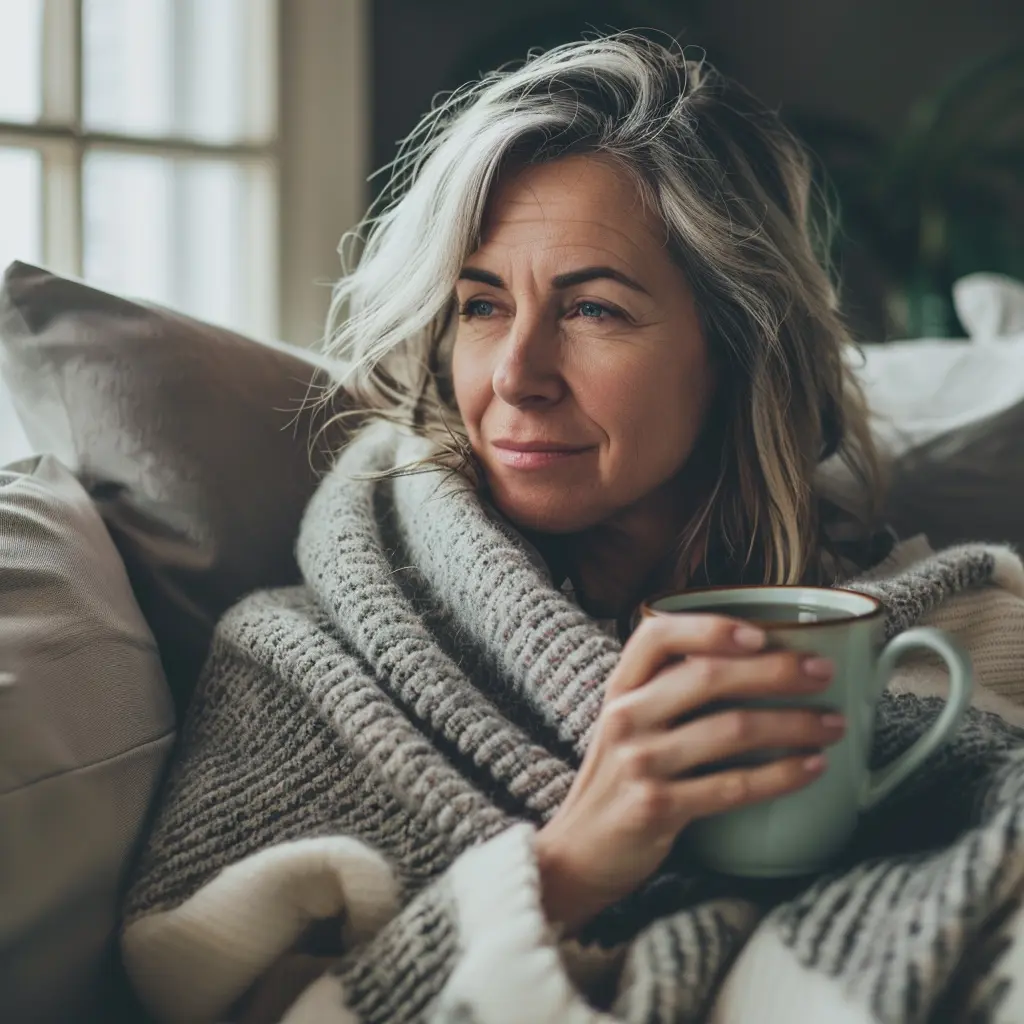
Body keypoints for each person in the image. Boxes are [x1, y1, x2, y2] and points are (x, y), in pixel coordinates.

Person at [120, 31, 1024, 1024]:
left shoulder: (950, 640)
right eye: (480, 304)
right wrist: (565, 869)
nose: (514, 373)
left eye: (591, 307)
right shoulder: (293, 666)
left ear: (733, 347)